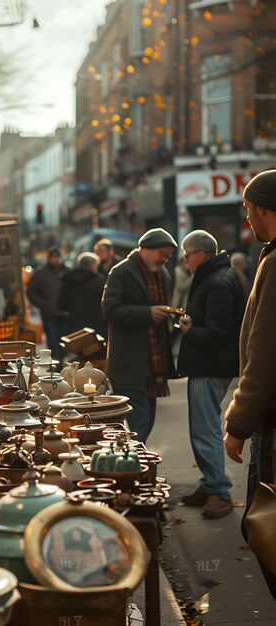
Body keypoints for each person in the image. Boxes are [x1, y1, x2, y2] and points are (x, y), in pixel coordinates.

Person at [224, 169, 276, 599]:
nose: (247, 220)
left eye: (248, 210)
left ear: (263, 208)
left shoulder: (274, 263)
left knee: (265, 522)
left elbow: (263, 356)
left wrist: (238, 424)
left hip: (272, 419)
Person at [177, 230, 246, 519]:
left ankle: (219, 490)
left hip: (211, 364)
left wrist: (189, 331)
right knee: (202, 428)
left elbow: (218, 334)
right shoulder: (215, 275)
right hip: (209, 363)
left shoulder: (218, 280)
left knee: (206, 430)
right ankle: (209, 484)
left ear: (200, 255)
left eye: (187, 254)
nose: (184, 260)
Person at [101, 228, 177, 443]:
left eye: (168, 255)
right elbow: (109, 309)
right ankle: (132, 465)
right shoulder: (121, 271)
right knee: (140, 421)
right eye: (162, 254)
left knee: (147, 419)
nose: (165, 259)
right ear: (145, 250)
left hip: (154, 365)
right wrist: (148, 313)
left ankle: (132, 464)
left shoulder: (163, 274)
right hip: (129, 362)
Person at [27, 246, 68, 363]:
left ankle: (64, 365)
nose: (56, 260)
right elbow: (31, 291)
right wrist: (43, 304)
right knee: (53, 344)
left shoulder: (66, 272)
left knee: (65, 345)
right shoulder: (40, 274)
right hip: (49, 315)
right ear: (49, 259)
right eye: (53, 257)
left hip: (65, 314)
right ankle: (55, 368)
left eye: (57, 257)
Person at [58, 252, 106, 337]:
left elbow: (61, 304)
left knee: (76, 349)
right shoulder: (99, 282)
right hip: (95, 327)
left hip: (73, 326)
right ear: (92, 265)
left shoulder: (68, 280)